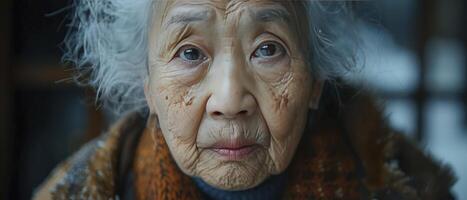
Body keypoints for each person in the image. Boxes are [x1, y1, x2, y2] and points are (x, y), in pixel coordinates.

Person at [34, 0, 456, 199]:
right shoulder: (74, 193)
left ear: (314, 82)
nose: (231, 98)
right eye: (190, 53)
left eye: (268, 49)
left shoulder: (411, 189)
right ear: (148, 86)